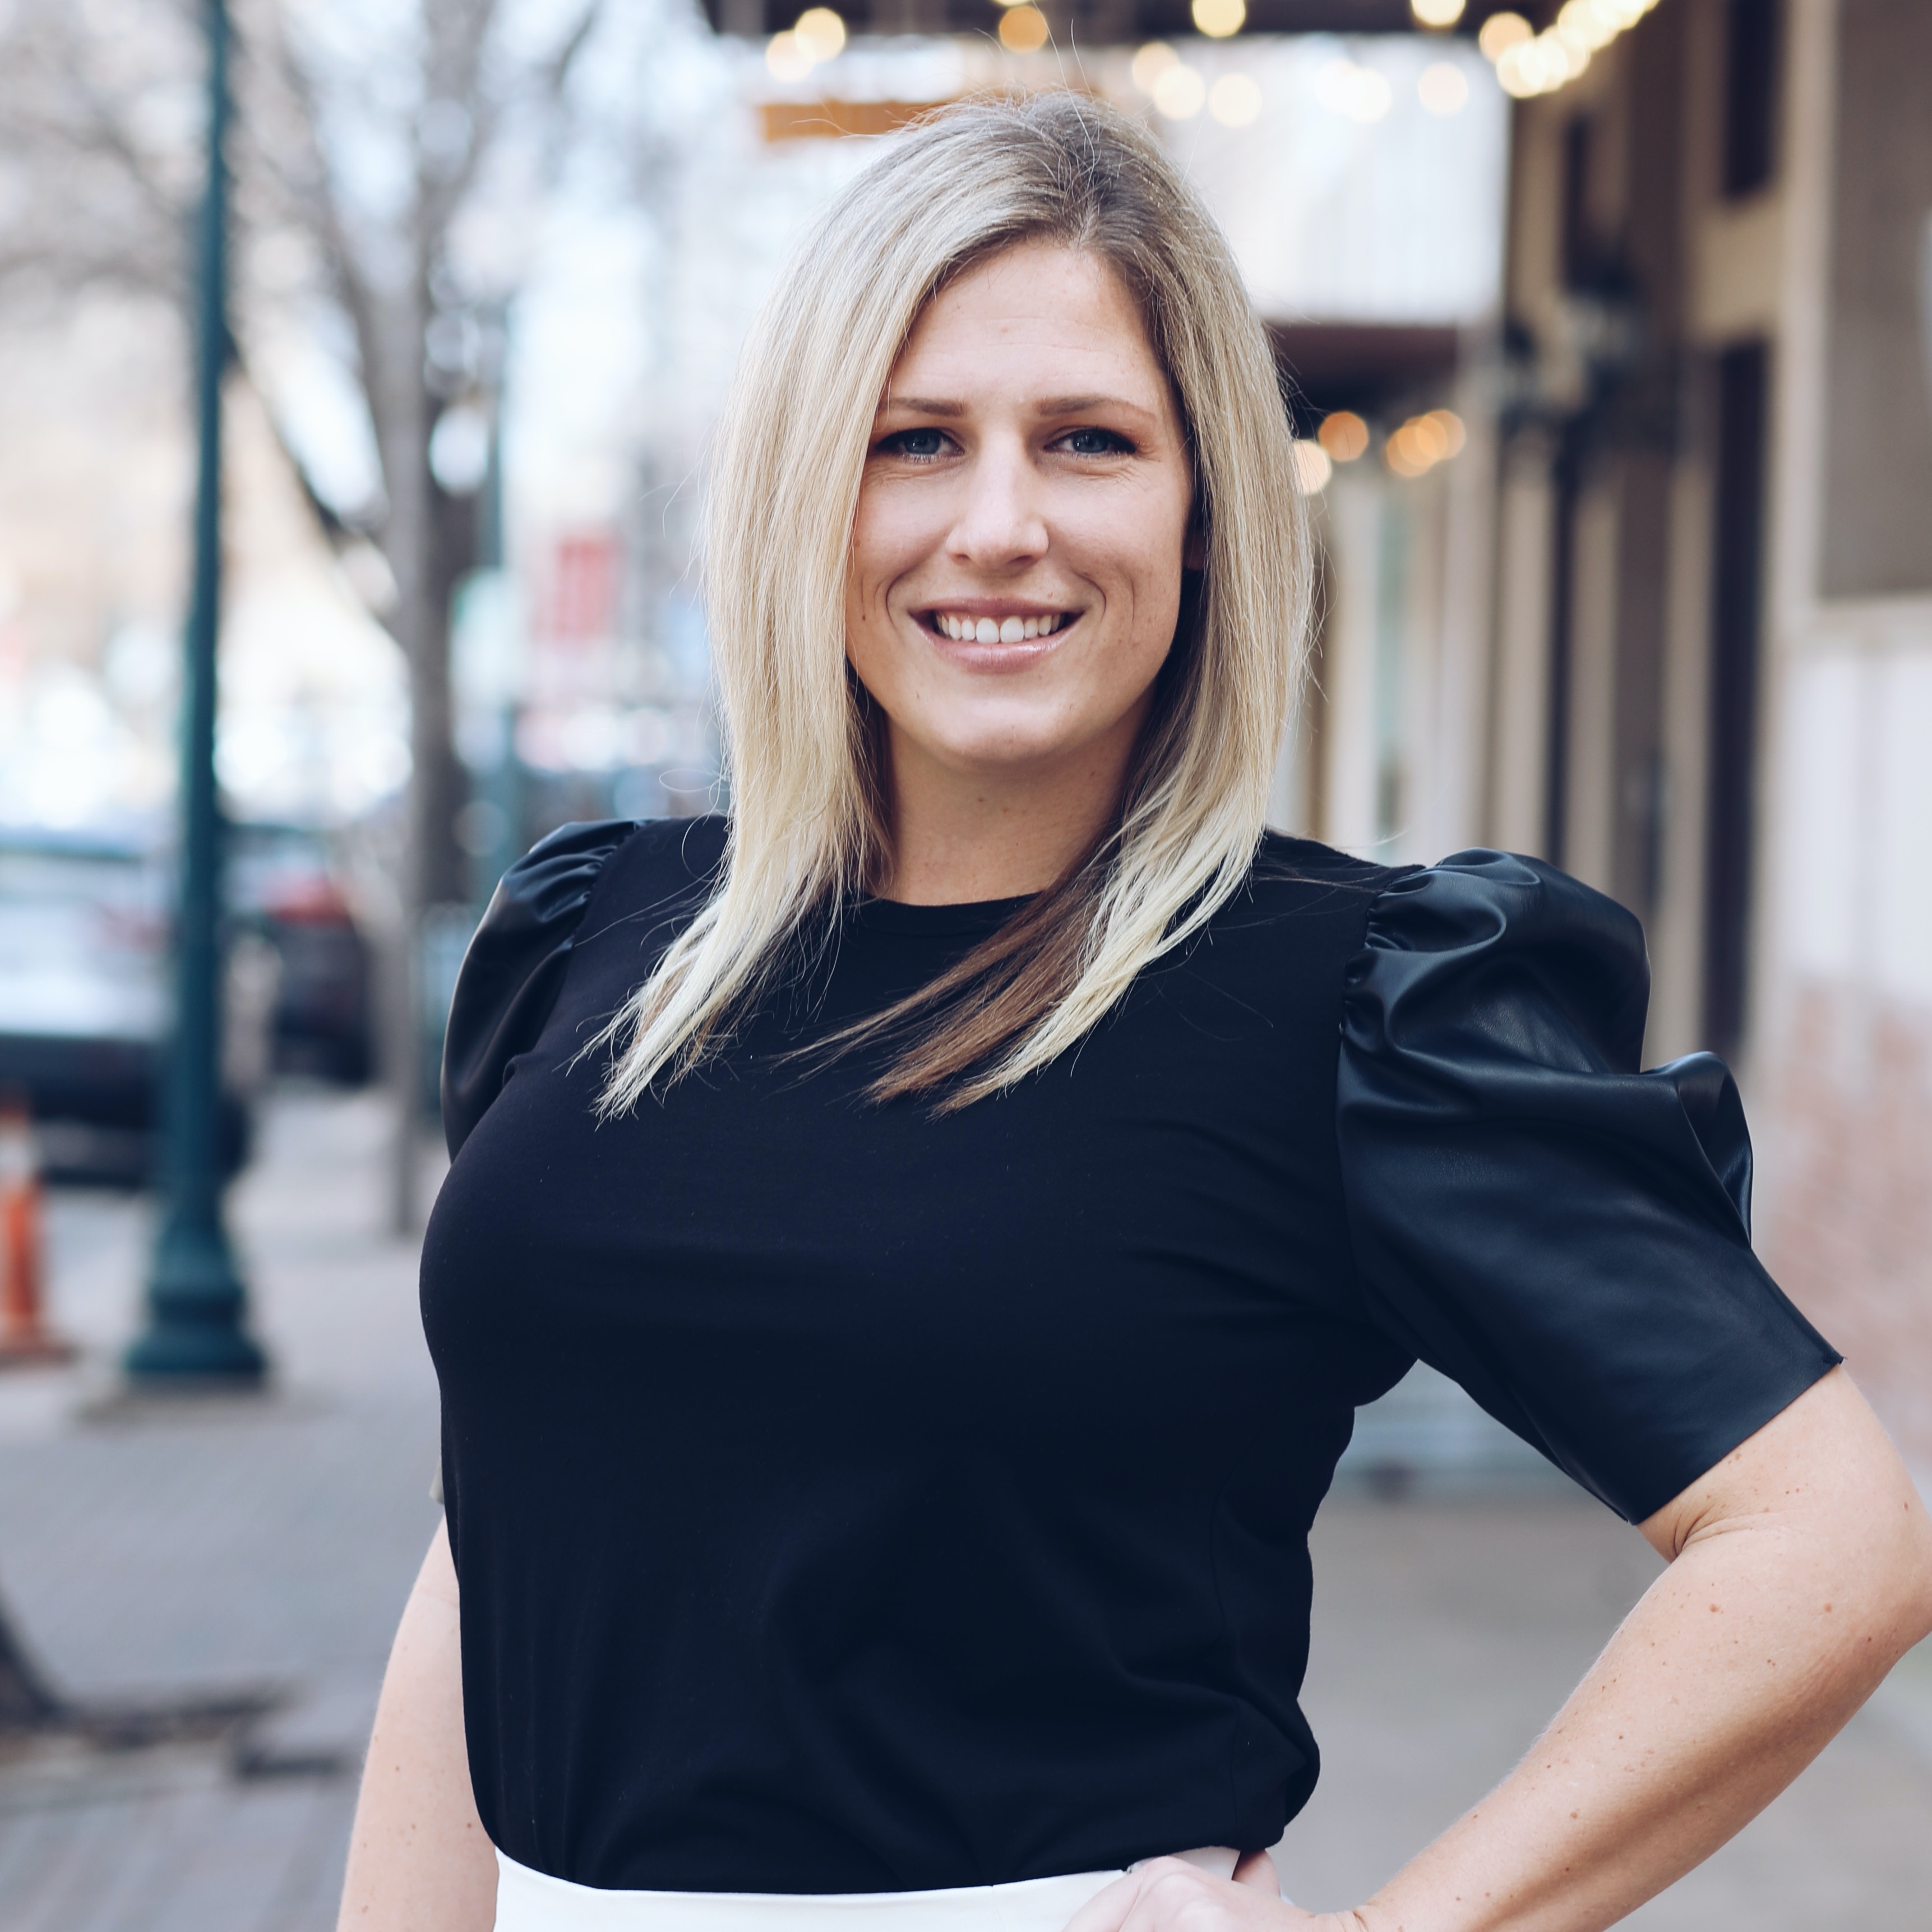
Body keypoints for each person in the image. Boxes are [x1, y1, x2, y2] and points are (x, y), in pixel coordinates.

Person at [337, 93, 1932, 1932]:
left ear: (1203, 514)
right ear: (806, 493)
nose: (999, 525)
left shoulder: (1360, 1007)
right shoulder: (595, 936)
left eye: (1088, 441)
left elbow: (1829, 1537)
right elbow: (500, 1543)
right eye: (916, 441)